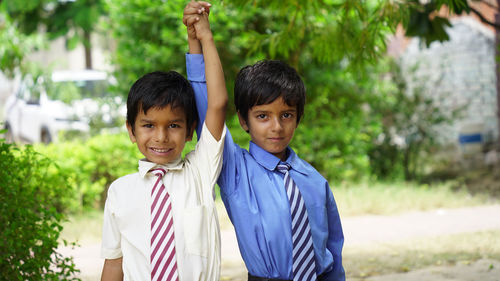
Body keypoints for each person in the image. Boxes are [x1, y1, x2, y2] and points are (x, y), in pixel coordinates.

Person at [183, 3, 345, 280]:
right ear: (244, 122)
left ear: (298, 117)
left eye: (286, 115)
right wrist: (200, 39)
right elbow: (209, 103)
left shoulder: (315, 181)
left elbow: (333, 252)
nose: (277, 126)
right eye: (262, 116)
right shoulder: (235, 170)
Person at [100, 6, 227, 281]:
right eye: (148, 125)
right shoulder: (119, 192)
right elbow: (113, 265)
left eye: (173, 125)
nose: (161, 137)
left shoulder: (200, 172)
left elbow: (217, 104)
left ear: (191, 130)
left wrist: (204, 38)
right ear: (131, 131)